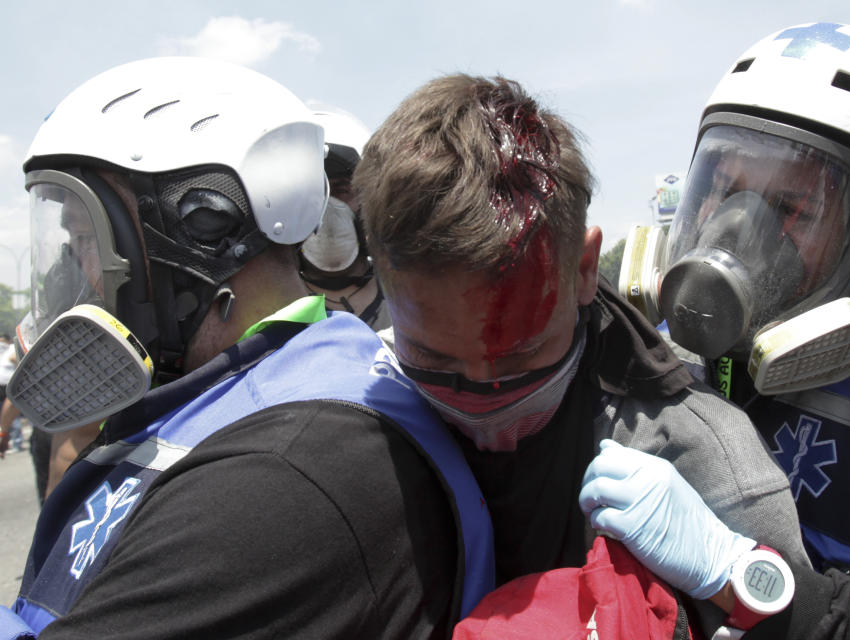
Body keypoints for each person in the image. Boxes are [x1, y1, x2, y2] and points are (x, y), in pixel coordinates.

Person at [0, 57, 493, 639]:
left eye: (87, 236)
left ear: (204, 227)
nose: (79, 272)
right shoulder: (219, 390)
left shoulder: (285, 466)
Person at [354, 73, 809, 636]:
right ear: (384, 283)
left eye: (521, 359)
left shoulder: (708, 463)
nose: (486, 419)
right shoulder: (348, 402)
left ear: (586, 269)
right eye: (435, 361)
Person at [617, 22, 850, 637]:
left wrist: (744, 580)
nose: (735, 229)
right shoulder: (650, 352)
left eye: (792, 209)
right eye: (723, 190)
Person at [299, 110, 391, 330]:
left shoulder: (406, 296)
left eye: (341, 189)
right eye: (314, 193)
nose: (327, 206)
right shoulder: (271, 304)